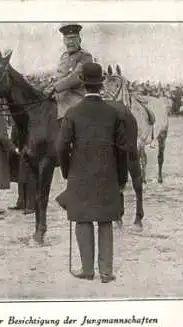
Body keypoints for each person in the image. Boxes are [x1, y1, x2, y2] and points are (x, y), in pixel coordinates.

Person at [55, 62, 132, 284]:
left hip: (79, 173)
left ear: (83, 84)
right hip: (108, 174)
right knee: (106, 221)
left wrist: (68, 171)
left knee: (82, 219)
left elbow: (61, 147)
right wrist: (121, 178)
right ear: (101, 85)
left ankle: (87, 270)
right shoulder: (113, 112)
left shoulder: (72, 113)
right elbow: (122, 148)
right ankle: (106, 272)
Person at [44, 23, 94, 120]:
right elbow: (59, 76)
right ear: (64, 41)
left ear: (79, 40)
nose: (70, 42)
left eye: (73, 38)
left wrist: (55, 87)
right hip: (59, 98)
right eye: (67, 39)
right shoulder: (64, 56)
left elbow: (76, 77)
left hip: (75, 98)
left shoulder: (85, 56)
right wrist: (47, 87)